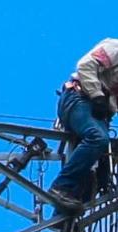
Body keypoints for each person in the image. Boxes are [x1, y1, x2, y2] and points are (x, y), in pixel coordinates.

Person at [49, 39, 118, 211]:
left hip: (97, 113)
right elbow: (85, 65)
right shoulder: (115, 47)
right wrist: (97, 95)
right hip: (79, 99)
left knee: (99, 170)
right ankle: (61, 187)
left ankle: (65, 212)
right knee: (97, 138)